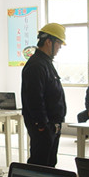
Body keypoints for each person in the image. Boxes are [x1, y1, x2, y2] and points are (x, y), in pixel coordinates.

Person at [21, 23, 67, 167]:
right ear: (48, 42)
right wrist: (42, 125)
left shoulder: (45, 63)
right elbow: (34, 98)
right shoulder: (36, 65)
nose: (59, 48)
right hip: (44, 126)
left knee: (49, 163)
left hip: (51, 125)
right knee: (40, 164)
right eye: (59, 43)